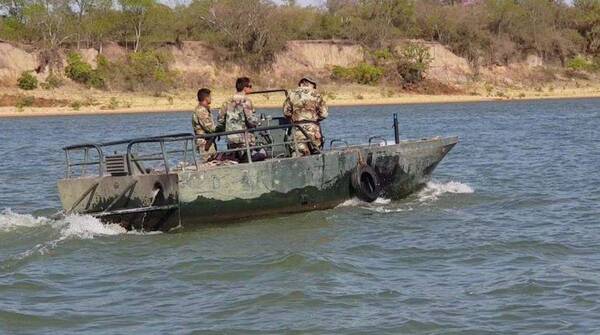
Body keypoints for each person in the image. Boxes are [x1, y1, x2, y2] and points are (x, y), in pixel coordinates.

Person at [218, 77, 263, 161]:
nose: (251, 88)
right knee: (252, 157)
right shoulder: (246, 101)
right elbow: (250, 119)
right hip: (245, 138)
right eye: (250, 86)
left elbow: (220, 119)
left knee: (236, 158)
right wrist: (259, 121)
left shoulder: (227, 101)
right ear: (245, 88)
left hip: (231, 138)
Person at [283, 77, 328, 156]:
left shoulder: (291, 94)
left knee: (299, 154)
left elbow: (286, 112)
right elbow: (324, 114)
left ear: (301, 84)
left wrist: (294, 118)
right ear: (312, 85)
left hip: (297, 130)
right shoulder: (316, 94)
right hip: (313, 131)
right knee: (316, 154)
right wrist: (315, 120)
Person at [192, 88, 218, 162]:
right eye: (210, 97)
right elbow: (210, 128)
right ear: (206, 98)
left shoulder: (205, 109)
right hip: (204, 143)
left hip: (209, 141)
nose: (211, 99)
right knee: (207, 164)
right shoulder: (201, 111)